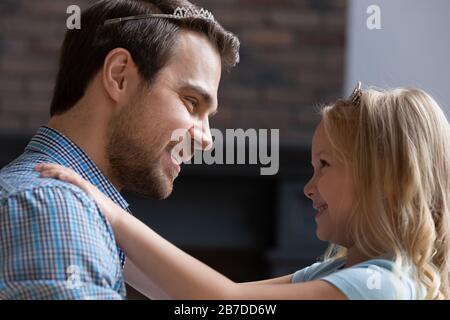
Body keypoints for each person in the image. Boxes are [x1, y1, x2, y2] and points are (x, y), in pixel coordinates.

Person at [36, 85, 450, 299]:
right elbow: (197, 295)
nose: (308, 188)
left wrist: (109, 210)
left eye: (324, 165)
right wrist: (101, 230)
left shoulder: (380, 288)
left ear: (384, 178)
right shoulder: (338, 274)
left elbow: (225, 299)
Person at [0, 0, 239, 299]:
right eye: (191, 102)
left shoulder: (49, 201)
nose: (207, 139)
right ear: (119, 76)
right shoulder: (57, 209)